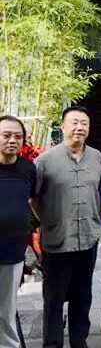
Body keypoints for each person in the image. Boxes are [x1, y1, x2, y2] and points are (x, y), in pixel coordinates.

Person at [34, 106, 101, 348]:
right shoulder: (44, 161)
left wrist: (98, 223)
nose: (79, 127)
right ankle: (52, 344)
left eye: (84, 123)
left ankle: (79, 341)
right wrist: (48, 220)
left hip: (87, 239)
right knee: (53, 300)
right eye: (74, 122)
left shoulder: (97, 157)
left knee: (82, 296)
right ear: (62, 126)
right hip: (57, 241)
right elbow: (33, 198)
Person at [0, 116, 36, 348]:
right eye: (6, 135)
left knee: (7, 308)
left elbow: (32, 202)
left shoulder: (27, 169)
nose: (12, 140)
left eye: (18, 136)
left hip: (12, 251)